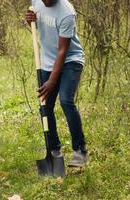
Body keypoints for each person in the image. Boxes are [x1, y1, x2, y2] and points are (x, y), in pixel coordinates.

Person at [26, 0, 87, 167]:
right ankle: (54, 150)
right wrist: (30, 20)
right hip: (47, 61)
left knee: (66, 100)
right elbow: (40, 26)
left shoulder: (66, 13)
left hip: (70, 60)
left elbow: (63, 50)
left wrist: (52, 80)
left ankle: (80, 150)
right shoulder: (35, 1)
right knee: (45, 105)